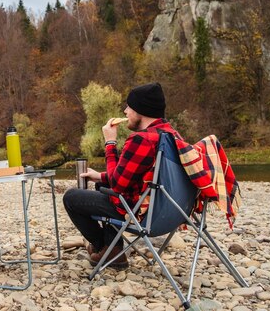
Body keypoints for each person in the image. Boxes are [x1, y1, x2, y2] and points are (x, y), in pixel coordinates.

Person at [63, 82, 183, 268]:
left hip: (144, 216)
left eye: (129, 107)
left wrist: (110, 143)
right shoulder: (170, 135)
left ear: (140, 110)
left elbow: (119, 185)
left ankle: (104, 248)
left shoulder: (142, 139)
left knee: (71, 198)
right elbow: (136, 173)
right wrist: (101, 177)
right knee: (101, 185)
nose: (125, 111)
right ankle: (113, 250)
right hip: (169, 213)